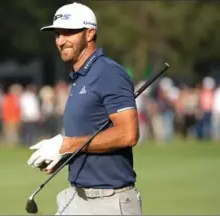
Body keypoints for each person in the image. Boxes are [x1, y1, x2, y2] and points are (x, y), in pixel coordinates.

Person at [27, 2, 142, 215]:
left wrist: (68, 144)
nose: (61, 41)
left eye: (69, 32)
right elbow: (90, 134)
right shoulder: (80, 77)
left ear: (89, 33)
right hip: (77, 197)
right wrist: (63, 155)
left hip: (109, 201)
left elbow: (128, 134)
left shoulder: (108, 73)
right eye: (58, 34)